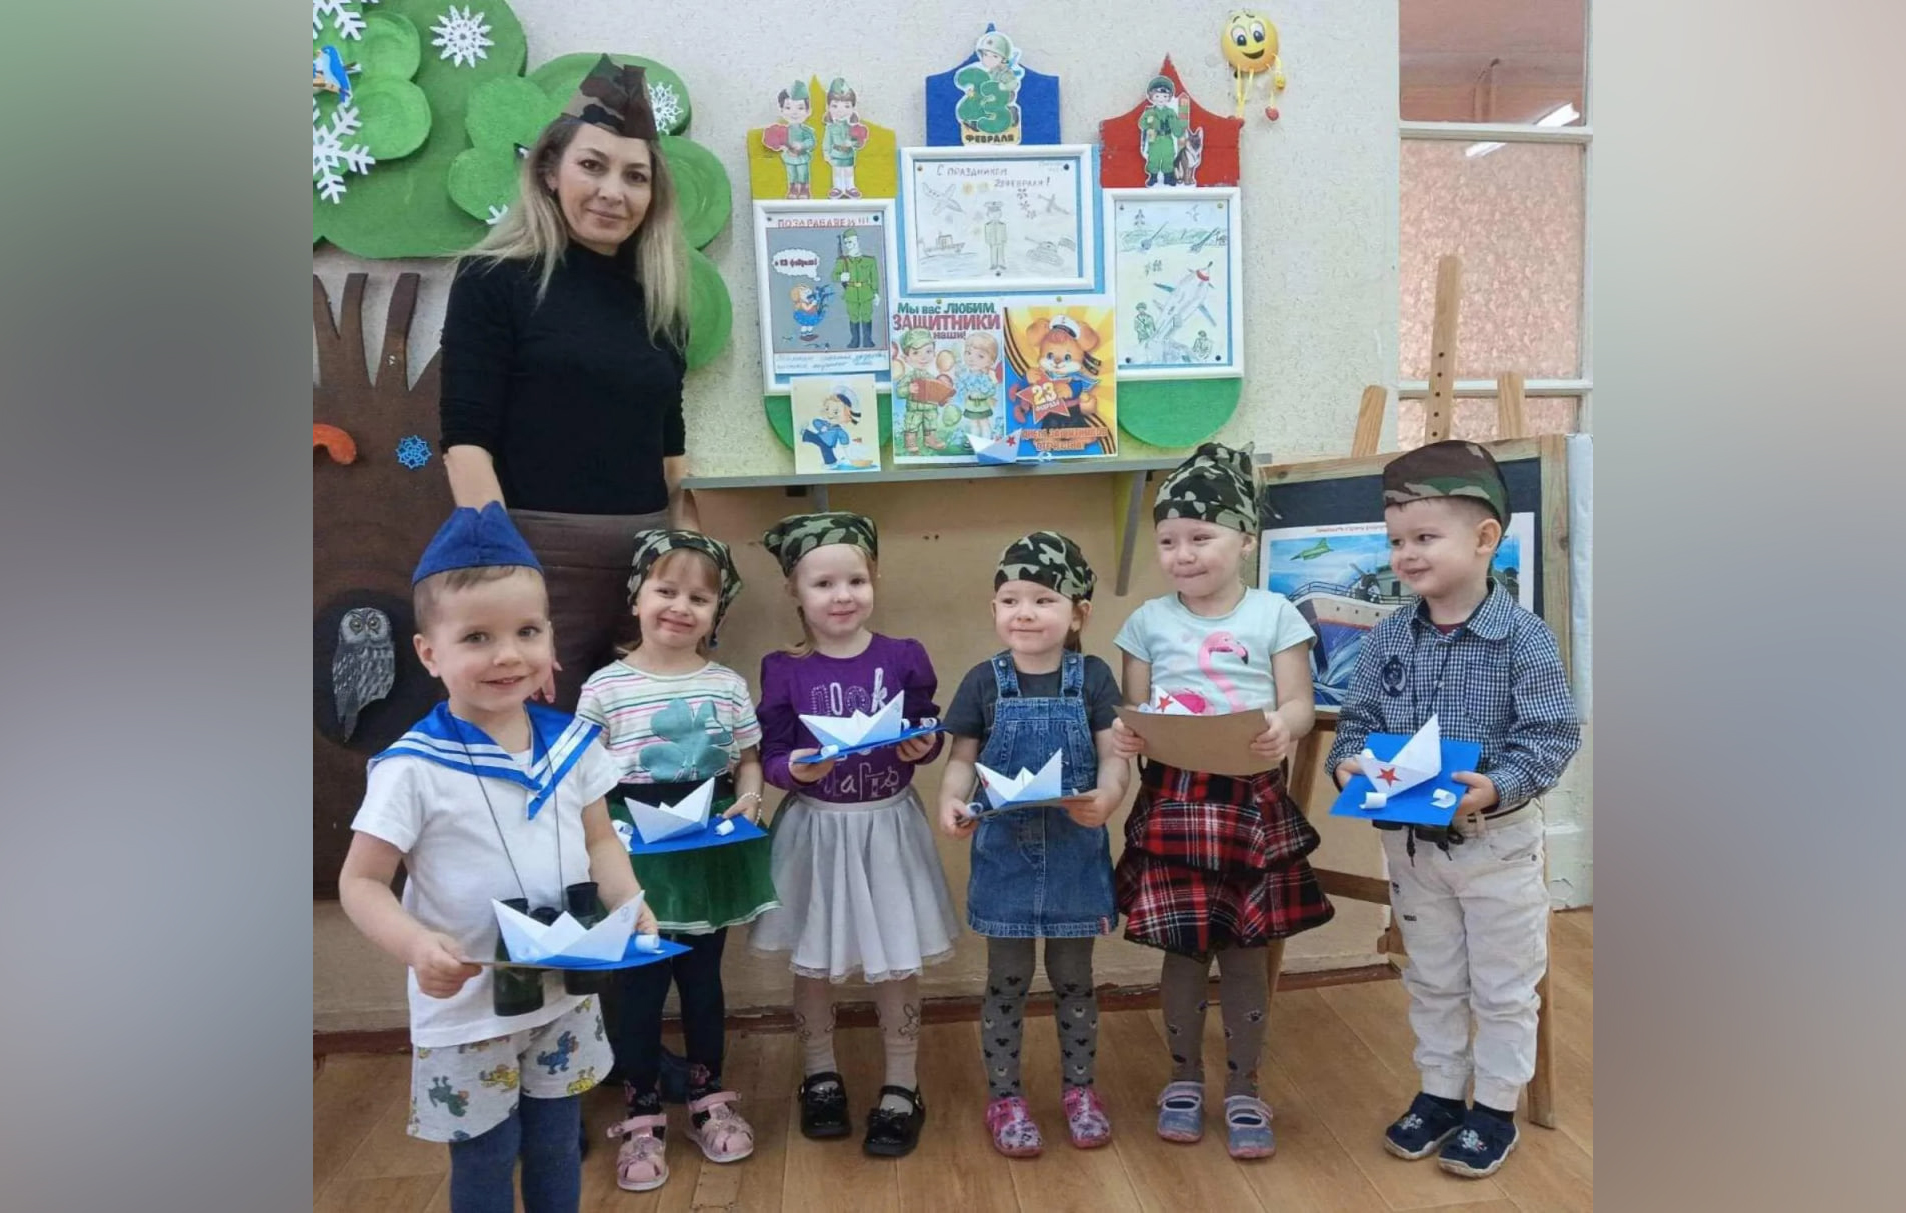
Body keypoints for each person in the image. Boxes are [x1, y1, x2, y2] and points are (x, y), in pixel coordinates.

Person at [337, 504, 658, 1213]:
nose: (508, 654)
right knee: (485, 1157)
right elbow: (361, 881)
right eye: (477, 636)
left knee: (556, 1141)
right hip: (470, 1007)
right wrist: (414, 944)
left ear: (551, 638)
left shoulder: (572, 744)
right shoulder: (412, 768)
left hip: (563, 991)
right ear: (429, 653)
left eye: (527, 631)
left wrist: (629, 902)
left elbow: (600, 840)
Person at [1325, 441, 1580, 1180]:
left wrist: (1497, 785)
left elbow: (1552, 734)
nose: (1405, 554)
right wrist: (1347, 761)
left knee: (1503, 984)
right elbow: (1356, 720)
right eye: (1395, 540)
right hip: (1411, 846)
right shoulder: (1388, 635)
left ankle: (1495, 1107)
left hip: (1495, 845)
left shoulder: (1523, 637)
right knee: (1432, 975)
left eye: (1425, 537)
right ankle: (1439, 1091)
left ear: (1485, 538)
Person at [438, 55, 699, 712]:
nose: (613, 191)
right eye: (593, 165)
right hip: (534, 561)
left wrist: (691, 564)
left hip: (648, 570)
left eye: (635, 176)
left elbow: (672, 456)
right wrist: (510, 592)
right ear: (550, 171)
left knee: (646, 749)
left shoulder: (661, 299)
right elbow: (466, 444)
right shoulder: (494, 278)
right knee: (536, 743)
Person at [1109, 442, 1336, 1160]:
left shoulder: (1277, 615)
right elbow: (1137, 711)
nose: (1182, 554)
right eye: (1168, 541)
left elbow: (1300, 704)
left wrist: (1285, 726)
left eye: (1200, 537)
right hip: (1175, 802)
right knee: (1183, 950)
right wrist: (1127, 733)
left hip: (1250, 803)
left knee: (1244, 951)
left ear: (1245, 540)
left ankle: (1244, 1084)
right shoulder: (1146, 621)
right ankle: (1183, 1077)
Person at [750, 513, 961, 1158]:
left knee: (895, 957)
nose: (842, 596)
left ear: (874, 582)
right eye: (823, 584)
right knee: (814, 956)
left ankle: (902, 1084)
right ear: (794, 590)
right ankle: (819, 1075)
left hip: (887, 830)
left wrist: (924, 745)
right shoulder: (783, 668)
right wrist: (793, 770)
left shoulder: (903, 656)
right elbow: (771, 753)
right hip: (816, 832)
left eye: (855, 581)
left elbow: (924, 728)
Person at [575, 531, 778, 1192]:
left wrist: (750, 798)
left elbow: (749, 759)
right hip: (633, 855)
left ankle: (708, 1096)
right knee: (638, 988)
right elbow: (581, 778)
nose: (681, 607)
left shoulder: (725, 684)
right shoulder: (604, 687)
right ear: (637, 597)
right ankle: (640, 1113)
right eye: (666, 590)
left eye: (700, 597)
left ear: (718, 612)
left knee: (702, 980)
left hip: (705, 847)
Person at [937, 532, 1130, 1157]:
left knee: (1075, 981)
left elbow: (1114, 756)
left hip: (1076, 855)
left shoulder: (1094, 678)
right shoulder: (982, 681)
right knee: (1007, 981)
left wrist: (1109, 796)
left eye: (1044, 599)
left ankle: (1081, 1091)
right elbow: (961, 760)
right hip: (1005, 859)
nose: (1025, 613)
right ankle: (1005, 1097)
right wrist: (952, 802)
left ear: (1078, 613)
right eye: (1010, 600)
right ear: (993, 609)